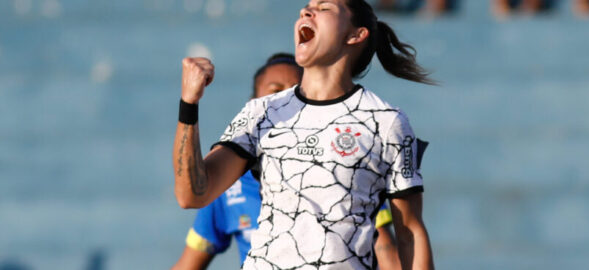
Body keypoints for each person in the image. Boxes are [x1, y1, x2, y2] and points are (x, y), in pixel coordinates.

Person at [173, 0, 434, 269]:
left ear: (356, 35)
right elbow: (191, 194)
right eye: (307, 7)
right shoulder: (260, 112)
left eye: (324, 8)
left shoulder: (387, 122)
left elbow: (410, 234)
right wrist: (189, 105)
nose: (306, 11)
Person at [171, 53, 402, 270]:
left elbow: (387, 252)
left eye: (294, 92)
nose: (284, 101)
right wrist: (189, 103)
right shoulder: (227, 186)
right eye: (275, 91)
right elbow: (188, 261)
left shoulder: (345, 171)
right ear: (253, 104)